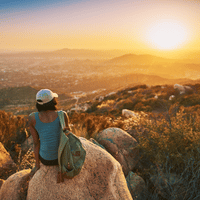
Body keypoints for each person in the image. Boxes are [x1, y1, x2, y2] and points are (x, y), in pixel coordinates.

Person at [28, 89, 71, 176]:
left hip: (46, 160)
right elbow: (69, 137)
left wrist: (37, 165)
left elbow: (36, 143)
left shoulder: (32, 118)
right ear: (53, 101)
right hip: (61, 158)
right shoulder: (62, 115)